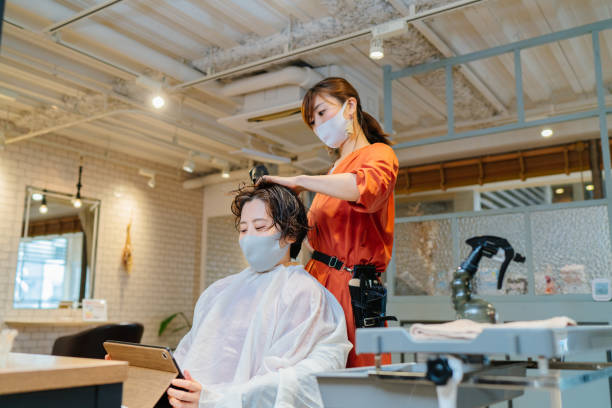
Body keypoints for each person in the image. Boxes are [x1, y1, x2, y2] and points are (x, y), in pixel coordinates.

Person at [160, 182, 350, 407]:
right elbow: (188, 354)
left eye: (260, 227)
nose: (249, 236)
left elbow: (290, 378)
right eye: (243, 229)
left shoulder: (303, 293)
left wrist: (216, 400)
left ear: (290, 233)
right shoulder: (218, 292)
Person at [261, 77, 399, 367]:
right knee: (309, 377)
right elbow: (313, 238)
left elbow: (366, 190)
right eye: (312, 122)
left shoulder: (378, 154)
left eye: (322, 113)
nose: (318, 126)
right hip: (316, 285)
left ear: (350, 106)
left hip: (351, 289)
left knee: (353, 380)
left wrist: (301, 180)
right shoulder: (333, 171)